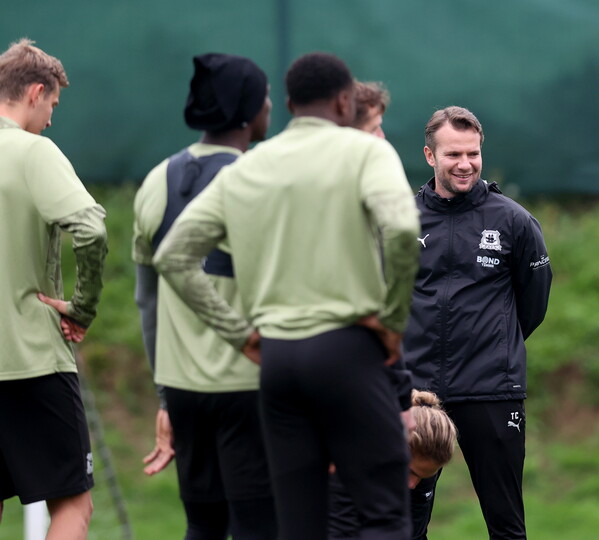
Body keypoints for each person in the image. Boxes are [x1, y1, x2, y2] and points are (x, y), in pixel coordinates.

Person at [153, 52, 421, 540]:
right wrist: (393, 321)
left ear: (292, 104)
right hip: (349, 352)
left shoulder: (247, 169)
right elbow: (403, 230)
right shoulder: (366, 152)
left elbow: (172, 256)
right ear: (345, 102)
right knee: (383, 514)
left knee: (298, 526)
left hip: (276, 362)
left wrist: (240, 334)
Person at [133, 53, 276, 539]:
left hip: (182, 390)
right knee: (260, 526)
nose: (271, 106)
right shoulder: (261, 183)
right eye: (264, 97)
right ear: (247, 110)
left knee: (203, 525)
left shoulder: (156, 180)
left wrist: (164, 393)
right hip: (249, 385)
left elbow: (146, 300)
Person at [402, 106, 552, 539]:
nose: (465, 164)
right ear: (430, 156)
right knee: (404, 525)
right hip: (417, 394)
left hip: (491, 390)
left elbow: (534, 302)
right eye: (453, 155)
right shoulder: (400, 219)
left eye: (473, 153)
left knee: (506, 525)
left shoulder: (514, 220)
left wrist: (496, 344)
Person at [0, 38, 108, 539]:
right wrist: (81, 308)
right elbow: (91, 228)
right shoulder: (33, 151)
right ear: (36, 92)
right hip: (31, 361)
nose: (51, 119)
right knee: (73, 505)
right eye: (52, 106)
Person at [328, 390, 458, 539]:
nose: (412, 485)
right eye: (411, 472)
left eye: (423, 477)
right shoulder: (346, 450)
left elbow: (414, 534)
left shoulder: (423, 467)